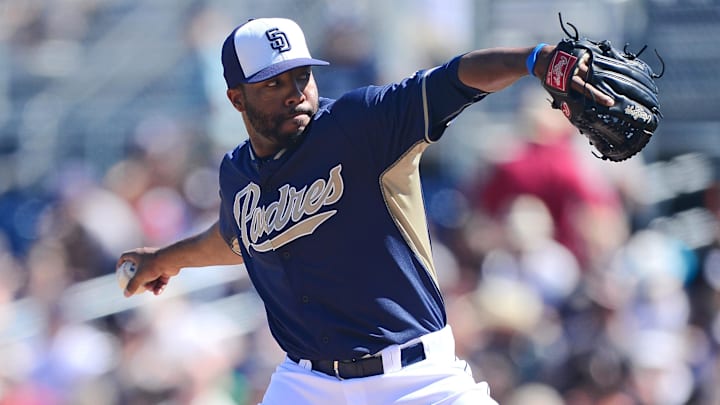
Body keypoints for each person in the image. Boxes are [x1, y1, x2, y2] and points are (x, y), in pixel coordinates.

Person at [118, 17, 613, 405]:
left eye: (302, 75)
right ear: (235, 97)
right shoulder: (237, 172)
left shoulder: (361, 124)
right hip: (307, 385)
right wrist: (165, 259)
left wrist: (533, 59)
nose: (295, 91)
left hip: (416, 379)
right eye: (273, 83)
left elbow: (451, 80)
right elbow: (234, 239)